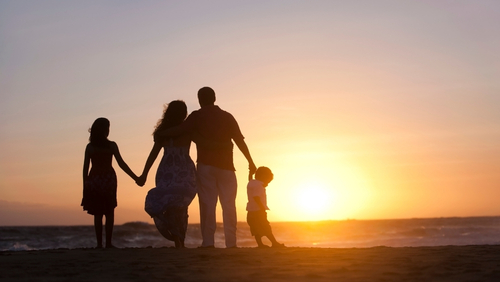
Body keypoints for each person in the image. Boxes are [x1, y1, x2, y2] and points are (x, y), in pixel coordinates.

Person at [156, 87, 256, 248]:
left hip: (206, 167)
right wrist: (251, 162)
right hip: (227, 167)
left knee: (208, 205)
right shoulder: (227, 116)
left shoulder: (197, 116)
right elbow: (239, 140)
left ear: (199, 99)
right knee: (229, 205)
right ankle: (231, 243)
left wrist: (162, 133)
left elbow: (180, 130)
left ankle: (208, 242)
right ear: (214, 98)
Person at [136, 100, 198, 248]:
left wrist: (144, 174)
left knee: (171, 204)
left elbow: (153, 155)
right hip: (184, 170)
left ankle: (177, 237)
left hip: (166, 171)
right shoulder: (187, 130)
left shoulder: (163, 133)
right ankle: (179, 239)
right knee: (181, 205)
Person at [82, 117, 138, 248]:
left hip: (95, 180)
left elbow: (85, 170)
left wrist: (85, 186)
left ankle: (99, 244)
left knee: (98, 213)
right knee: (109, 211)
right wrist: (136, 177)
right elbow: (122, 164)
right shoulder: (111, 145)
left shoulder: (90, 147)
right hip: (108, 180)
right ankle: (108, 243)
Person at [246, 166, 284, 248]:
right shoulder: (259, 185)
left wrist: (250, 173)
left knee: (256, 229)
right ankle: (274, 243)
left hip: (250, 212)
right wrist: (262, 208)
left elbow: (250, 180)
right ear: (263, 177)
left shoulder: (252, 182)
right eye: (267, 181)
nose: (267, 184)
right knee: (266, 227)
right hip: (258, 211)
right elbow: (256, 197)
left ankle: (260, 244)